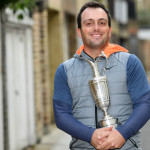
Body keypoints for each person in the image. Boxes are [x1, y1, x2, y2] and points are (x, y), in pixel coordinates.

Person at [53, 1, 150, 150]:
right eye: (89, 23)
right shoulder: (64, 70)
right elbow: (61, 115)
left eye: (102, 23)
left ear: (109, 30)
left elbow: (145, 103)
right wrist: (90, 135)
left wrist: (122, 134)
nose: (96, 28)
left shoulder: (130, 62)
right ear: (79, 31)